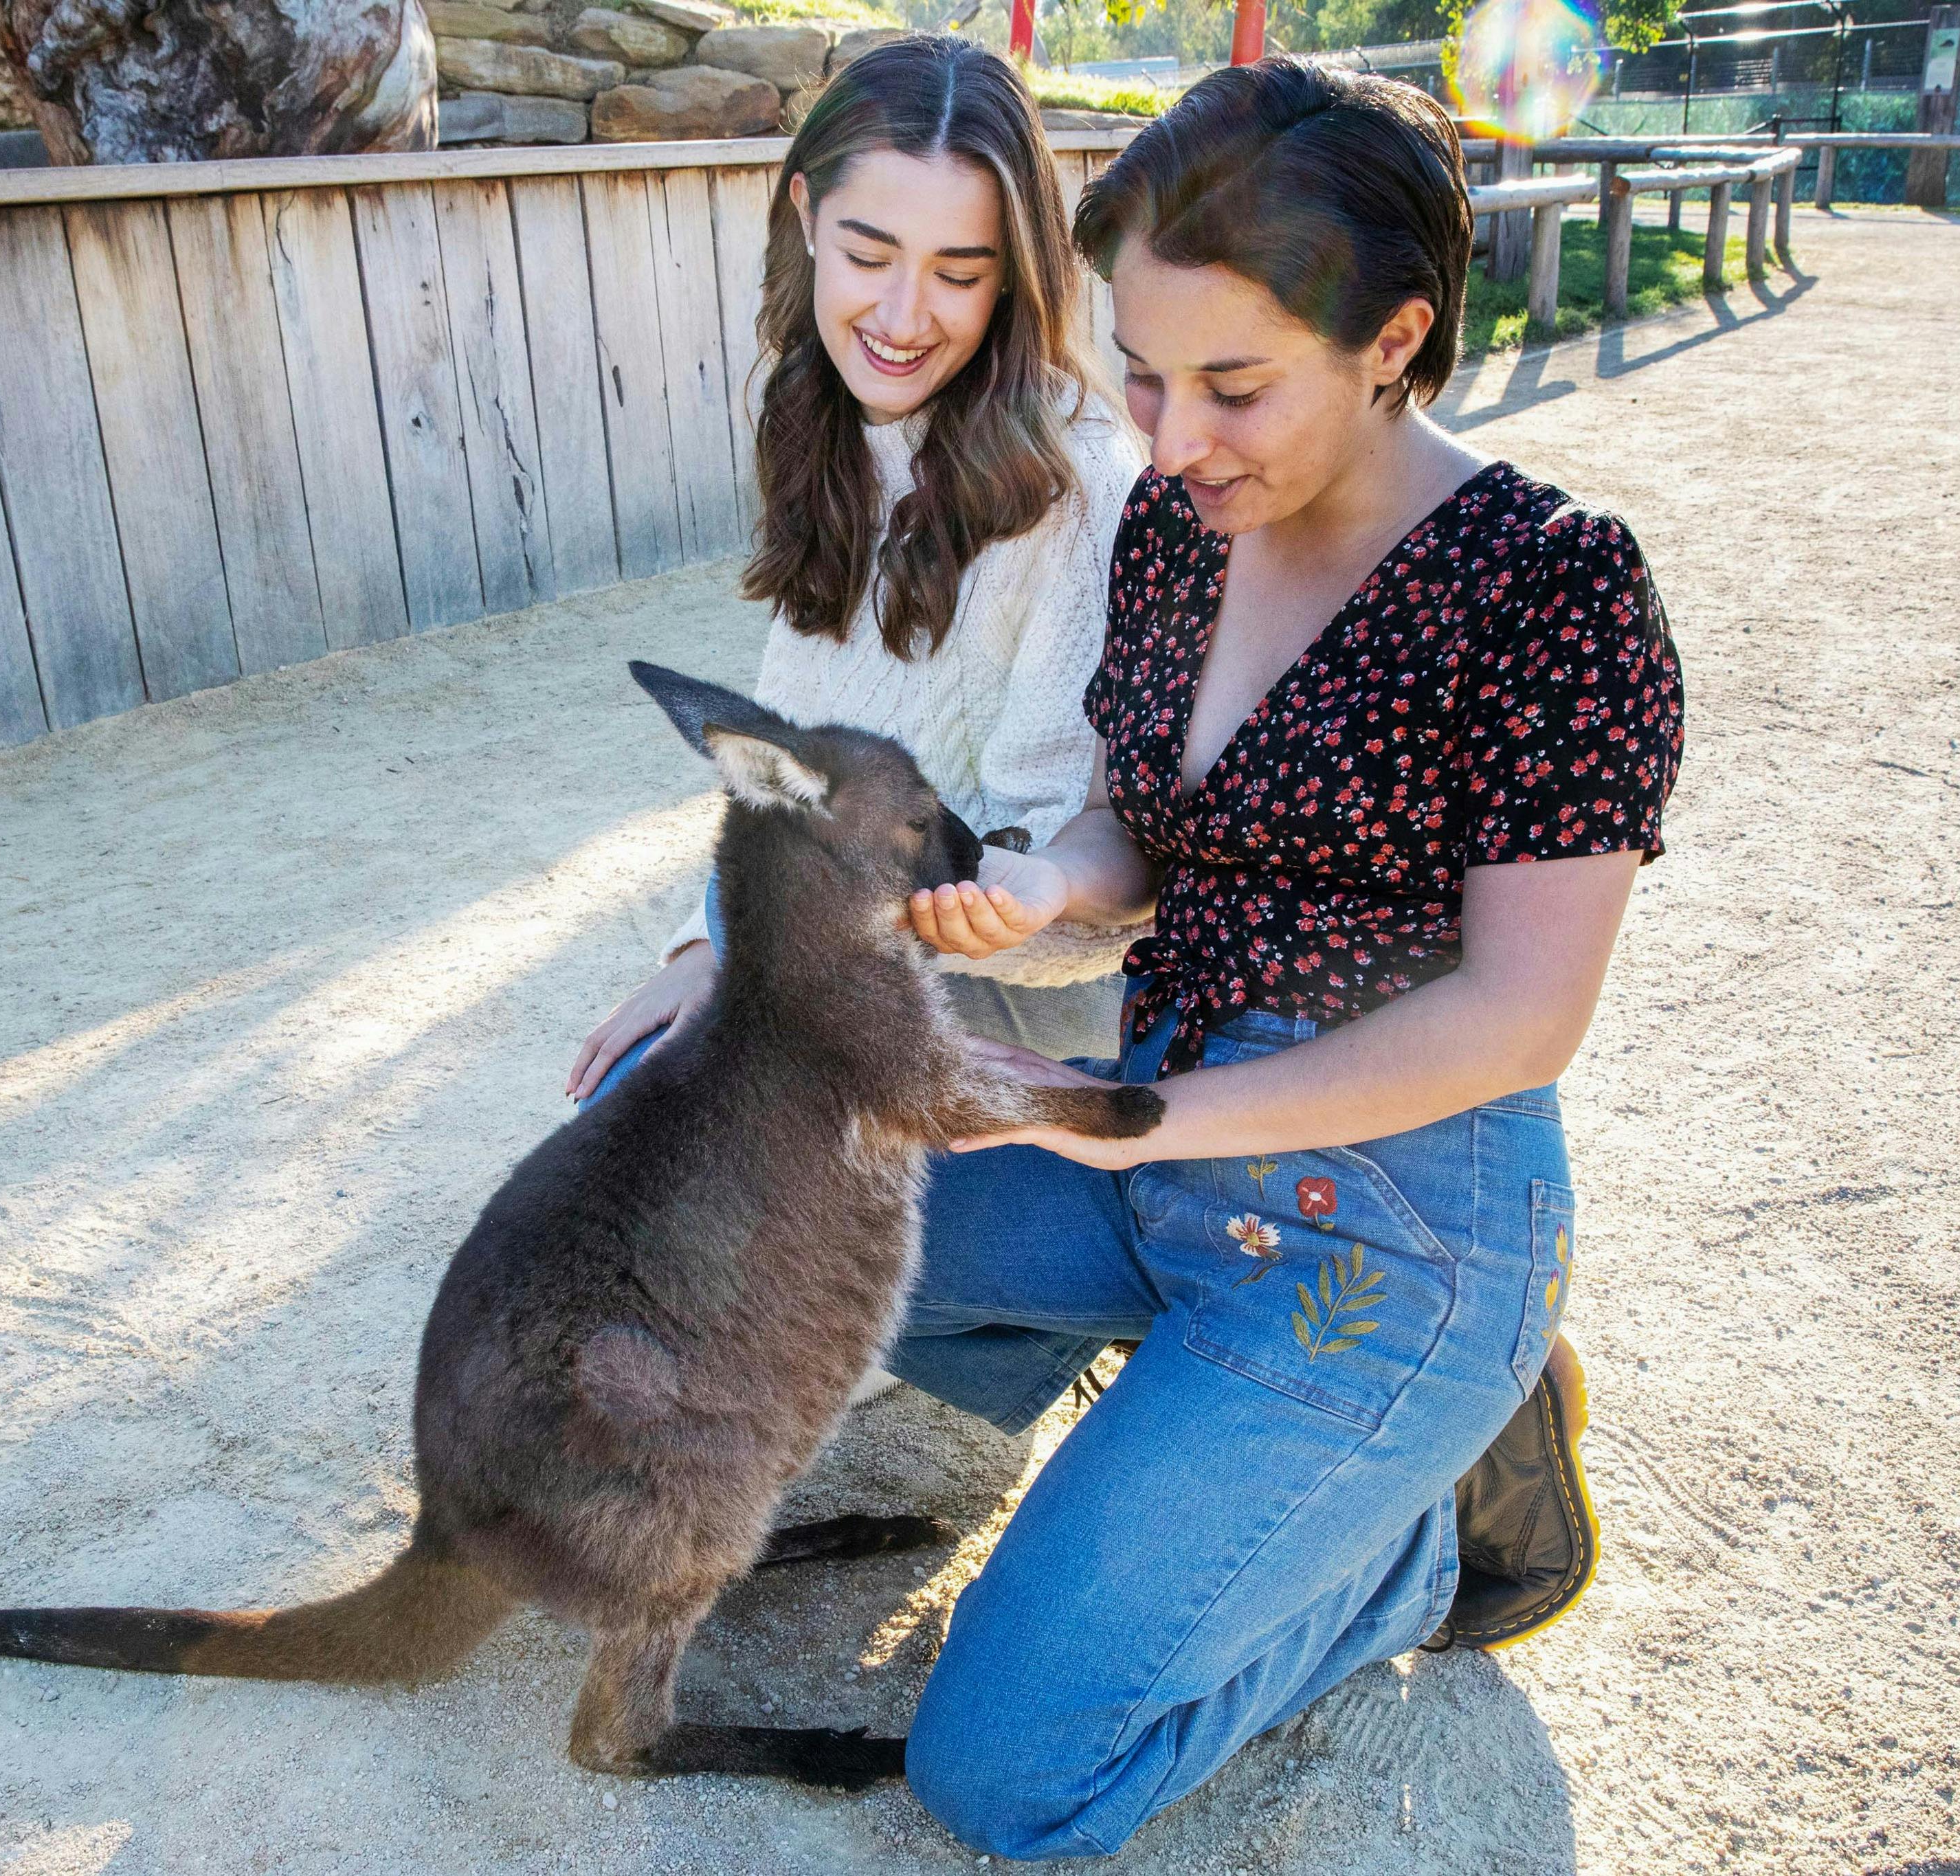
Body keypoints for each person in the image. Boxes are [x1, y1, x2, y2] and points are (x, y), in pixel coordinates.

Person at [879, 61, 1685, 1858]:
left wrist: (1133, 1117)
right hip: (1153, 1140)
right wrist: (1041, 886)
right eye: (1144, 377)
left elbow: (1522, 1012)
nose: (1168, 442)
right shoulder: (1181, 523)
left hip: (1400, 1223)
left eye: (1232, 387)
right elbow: (1136, 836)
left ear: (1395, 336)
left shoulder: (1554, 585)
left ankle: (1416, 1546)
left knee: (1002, 1774)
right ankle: (1225, 1426)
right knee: (796, 1199)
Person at [564, 33, 1146, 1106]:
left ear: (1014, 279)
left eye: (959, 275)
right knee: (632, 1108)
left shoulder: (1081, 488)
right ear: (805, 220)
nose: (901, 317)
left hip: (1009, 990)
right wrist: (707, 946)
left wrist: (789, 962)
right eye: (869, 256)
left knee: (680, 1134)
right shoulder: (826, 419)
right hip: (845, 932)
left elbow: (1063, 865)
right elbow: (790, 752)